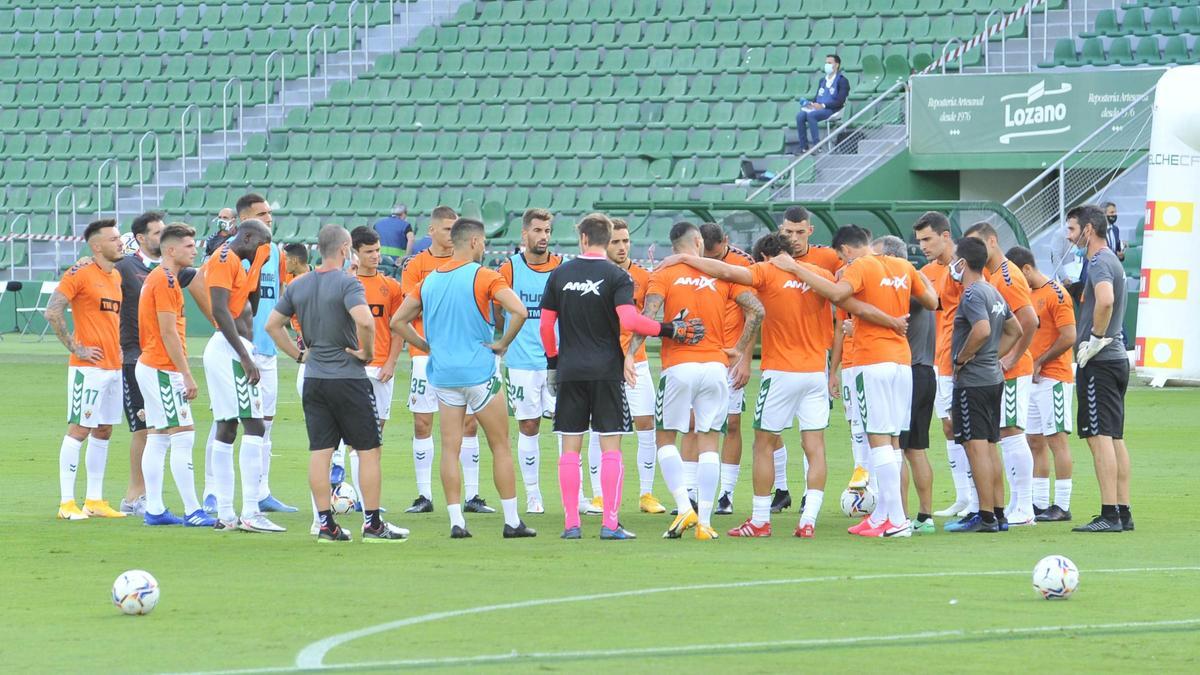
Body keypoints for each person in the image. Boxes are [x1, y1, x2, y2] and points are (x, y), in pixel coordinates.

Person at [660, 232, 847, 538]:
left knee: (764, 443)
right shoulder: (819, 274)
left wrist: (683, 258)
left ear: (763, 256)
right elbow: (840, 296)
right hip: (815, 371)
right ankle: (809, 519)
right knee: (815, 446)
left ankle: (760, 519)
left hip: (780, 372)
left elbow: (725, 270)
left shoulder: (765, 271)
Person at [769, 224, 937, 538]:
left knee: (877, 439)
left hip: (871, 359)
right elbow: (932, 300)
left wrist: (793, 268)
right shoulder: (903, 266)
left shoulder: (860, 266)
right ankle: (883, 515)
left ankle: (896, 520)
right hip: (902, 362)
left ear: (846, 251)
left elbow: (836, 294)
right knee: (893, 440)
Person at [542, 214, 688, 540]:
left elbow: (544, 327)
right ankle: (610, 524)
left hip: (570, 371)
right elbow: (631, 321)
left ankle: (571, 524)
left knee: (570, 447)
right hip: (607, 371)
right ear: (607, 240)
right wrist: (669, 329)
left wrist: (554, 363)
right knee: (611, 448)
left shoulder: (559, 274)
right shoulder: (616, 276)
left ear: (582, 238)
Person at [391, 218, 535, 539]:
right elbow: (520, 311)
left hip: (443, 374)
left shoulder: (428, 282)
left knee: (449, 448)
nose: (484, 248)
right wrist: (502, 343)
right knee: (500, 445)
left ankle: (456, 521)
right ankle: (512, 521)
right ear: (473, 242)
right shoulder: (484, 276)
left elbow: (398, 321)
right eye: (483, 242)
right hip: (479, 373)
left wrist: (424, 345)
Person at [266, 224, 408, 542]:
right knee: (368, 449)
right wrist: (366, 353)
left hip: (314, 376)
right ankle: (372, 523)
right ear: (346, 249)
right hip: (347, 377)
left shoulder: (299, 285)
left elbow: (273, 325)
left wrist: (299, 355)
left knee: (321, 450)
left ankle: (326, 524)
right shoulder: (348, 283)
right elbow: (365, 321)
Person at [631, 221, 764, 541]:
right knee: (709, 443)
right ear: (697, 242)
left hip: (678, 366)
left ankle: (683, 506)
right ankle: (705, 521)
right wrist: (739, 348)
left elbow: (648, 319)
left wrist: (629, 352)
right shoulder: (720, 273)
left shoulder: (663, 273)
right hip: (716, 368)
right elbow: (757, 311)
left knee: (664, 439)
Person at [306, 226, 406, 532]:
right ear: (353, 252)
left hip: (377, 370)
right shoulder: (345, 284)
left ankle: (355, 508)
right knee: (350, 446)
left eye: (378, 251)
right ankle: (364, 516)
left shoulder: (390, 286)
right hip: (350, 371)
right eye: (369, 251)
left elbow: (398, 325)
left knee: (373, 442)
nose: (376, 257)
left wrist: (390, 361)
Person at [114, 211, 211, 516]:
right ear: (171, 250)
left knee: (157, 436)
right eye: (188, 246)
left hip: (150, 364)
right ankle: (193, 510)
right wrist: (187, 375)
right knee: (183, 435)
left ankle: (155, 509)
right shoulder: (167, 280)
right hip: (163, 367)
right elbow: (169, 332)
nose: (194, 250)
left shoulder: (158, 276)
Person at [399, 206, 489, 514]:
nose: (452, 234)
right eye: (447, 228)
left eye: (456, 229)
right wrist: (424, 343)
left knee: (470, 423)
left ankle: (473, 495)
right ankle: (424, 496)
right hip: (427, 356)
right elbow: (410, 310)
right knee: (423, 422)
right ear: (432, 232)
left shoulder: (465, 265)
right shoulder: (417, 266)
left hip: (462, 354)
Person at [44, 220, 128, 521]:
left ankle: (94, 500)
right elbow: (53, 310)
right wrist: (74, 347)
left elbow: (110, 319)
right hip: (88, 368)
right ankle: (66, 503)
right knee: (80, 429)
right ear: (96, 246)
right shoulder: (79, 272)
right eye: (114, 238)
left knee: (104, 430)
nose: (120, 242)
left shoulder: (116, 275)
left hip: (112, 365)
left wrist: (116, 344)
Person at [200, 219, 279, 532]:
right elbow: (220, 311)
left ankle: (226, 514)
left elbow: (252, 307)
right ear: (246, 236)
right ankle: (249, 511)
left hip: (233, 348)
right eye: (260, 245)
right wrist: (246, 357)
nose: (263, 251)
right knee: (255, 424)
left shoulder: (240, 263)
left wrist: (257, 267)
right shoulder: (223, 258)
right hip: (230, 350)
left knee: (228, 426)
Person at [963, 223, 1038, 527]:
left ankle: (1024, 506)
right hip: (999, 369)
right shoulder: (992, 275)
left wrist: (1010, 357)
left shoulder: (1008, 276)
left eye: (979, 244)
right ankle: (1013, 503)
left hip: (1012, 368)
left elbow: (1030, 320)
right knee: (1003, 433)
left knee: (1011, 432)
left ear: (993, 241)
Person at [946, 237, 1022, 533]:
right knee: (990, 447)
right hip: (992, 378)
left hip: (973, 382)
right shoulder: (993, 290)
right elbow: (1014, 330)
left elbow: (982, 329)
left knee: (976, 448)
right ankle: (998, 514)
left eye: (954, 259)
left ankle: (986, 515)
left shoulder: (973, 294)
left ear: (962, 263)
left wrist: (963, 359)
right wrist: (993, 356)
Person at [1066, 204, 1132, 533]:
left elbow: (1104, 300)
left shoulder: (1098, 261)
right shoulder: (1110, 261)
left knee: (1099, 436)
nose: (1070, 236)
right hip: (1116, 359)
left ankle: (1110, 513)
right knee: (1114, 436)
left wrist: (1094, 338)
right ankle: (1122, 508)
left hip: (1101, 361)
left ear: (1089, 229)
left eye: (1073, 229)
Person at [771, 206, 843, 511]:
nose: (794, 238)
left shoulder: (827, 259)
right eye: (788, 232)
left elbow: (847, 285)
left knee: (810, 433)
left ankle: (806, 496)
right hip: (778, 358)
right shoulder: (770, 256)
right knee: (769, 432)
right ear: (780, 231)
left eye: (800, 232)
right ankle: (780, 488)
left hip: (816, 357)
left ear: (810, 231)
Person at [233, 194, 296, 514]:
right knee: (229, 423)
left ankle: (262, 492)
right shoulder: (236, 253)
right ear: (244, 219)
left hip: (268, 351)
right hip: (240, 349)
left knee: (265, 424)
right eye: (261, 213)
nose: (269, 217)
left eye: (270, 212)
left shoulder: (276, 253)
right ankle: (216, 494)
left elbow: (281, 295)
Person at [498, 208, 562, 514]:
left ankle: (573, 495)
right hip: (522, 362)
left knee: (568, 426)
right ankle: (533, 494)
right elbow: (494, 306)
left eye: (547, 231)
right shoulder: (509, 269)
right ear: (525, 234)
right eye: (537, 230)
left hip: (557, 361)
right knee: (529, 424)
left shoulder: (560, 267)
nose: (543, 236)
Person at [601, 218, 666, 514]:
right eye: (615, 241)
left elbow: (647, 316)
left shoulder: (642, 275)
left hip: (636, 362)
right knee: (600, 428)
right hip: (602, 363)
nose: (622, 246)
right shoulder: (596, 275)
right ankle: (600, 497)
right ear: (604, 244)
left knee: (646, 423)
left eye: (625, 241)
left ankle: (646, 494)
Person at [1008, 245, 1075, 523]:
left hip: (1054, 378)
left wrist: (1041, 361)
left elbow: (1069, 335)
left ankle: (1062, 505)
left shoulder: (1056, 293)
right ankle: (1037, 503)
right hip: (1031, 378)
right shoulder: (1025, 294)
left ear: (1025, 269)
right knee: (1033, 440)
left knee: (1056, 440)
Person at [912, 212, 974, 519]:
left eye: (928, 239)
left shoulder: (964, 269)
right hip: (937, 359)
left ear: (946, 236)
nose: (923, 245)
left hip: (964, 360)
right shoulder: (925, 272)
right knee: (949, 427)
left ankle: (980, 499)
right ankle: (963, 496)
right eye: (920, 240)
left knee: (971, 430)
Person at [875, 235, 936, 534]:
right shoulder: (920, 281)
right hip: (926, 371)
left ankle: (898, 515)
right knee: (916, 449)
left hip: (908, 372)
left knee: (896, 447)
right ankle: (924, 516)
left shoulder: (903, 286)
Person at [698, 222, 754, 516]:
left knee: (731, 423)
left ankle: (727, 494)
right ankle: (693, 493)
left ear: (727, 243)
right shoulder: (692, 263)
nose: (714, 263)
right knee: (696, 424)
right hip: (698, 356)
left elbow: (754, 310)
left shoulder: (743, 265)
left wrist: (745, 357)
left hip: (731, 356)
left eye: (717, 256)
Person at [795, 54, 849, 153]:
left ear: (836, 65)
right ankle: (804, 147)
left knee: (811, 115)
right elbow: (818, 97)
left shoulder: (842, 81)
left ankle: (817, 146)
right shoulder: (822, 81)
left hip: (832, 109)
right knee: (800, 116)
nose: (826, 65)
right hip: (819, 108)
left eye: (829, 63)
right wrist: (811, 104)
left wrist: (823, 106)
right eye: (826, 63)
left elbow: (840, 101)